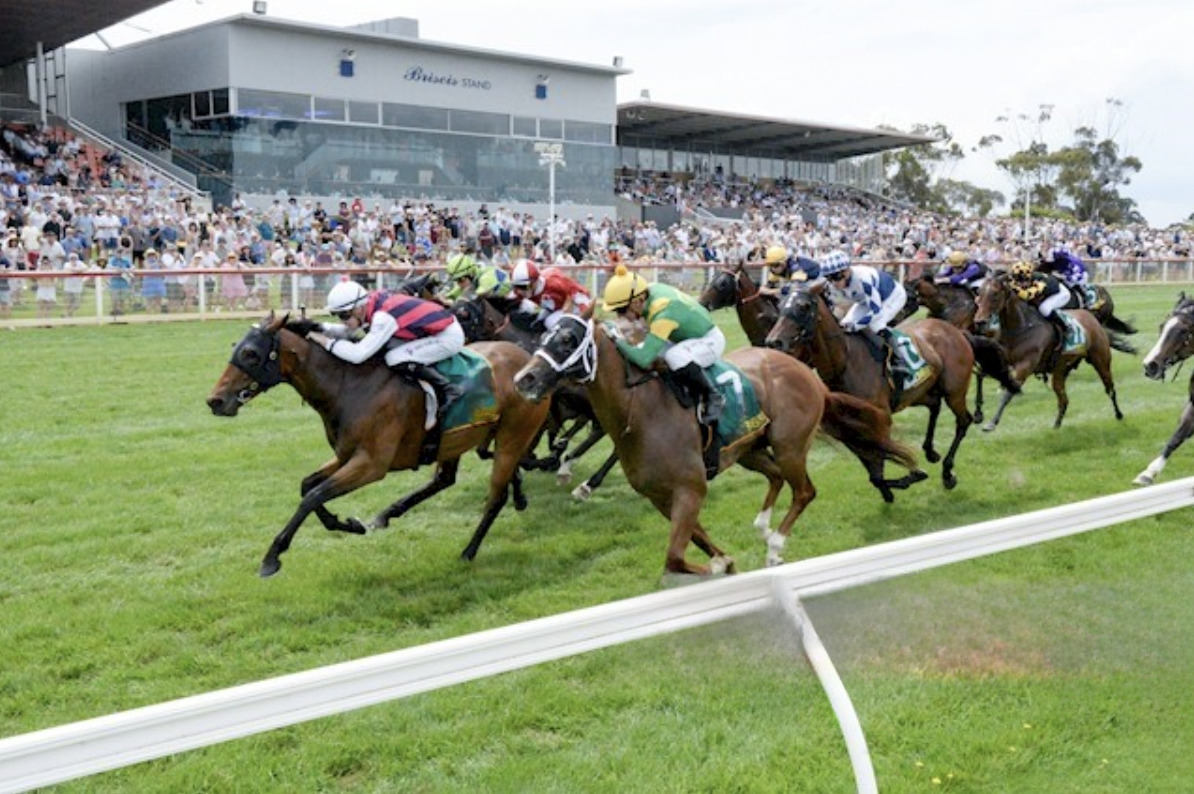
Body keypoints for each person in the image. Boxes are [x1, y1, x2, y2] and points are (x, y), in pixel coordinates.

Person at [306, 280, 464, 428]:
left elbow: (359, 354)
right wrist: (316, 326)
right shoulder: (371, 304)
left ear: (358, 308)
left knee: (394, 358)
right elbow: (348, 330)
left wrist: (327, 343)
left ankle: (448, 388)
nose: (342, 321)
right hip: (431, 331)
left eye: (344, 315)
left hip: (447, 336)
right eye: (338, 316)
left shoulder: (383, 317)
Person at [601, 264, 726, 425]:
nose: (621, 317)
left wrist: (616, 340)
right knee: (654, 352)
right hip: (684, 338)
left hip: (709, 341)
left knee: (673, 356)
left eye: (622, 310)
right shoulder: (647, 291)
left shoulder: (663, 311)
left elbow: (644, 358)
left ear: (638, 301)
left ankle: (713, 396)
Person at [819, 250, 909, 395]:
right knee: (845, 323)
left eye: (836, 277)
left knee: (875, 325)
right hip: (865, 300)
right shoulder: (833, 283)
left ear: (847, 270)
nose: (834, 283)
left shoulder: (863, 279)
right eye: (829, 278)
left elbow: (875, 310)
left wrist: (857, 325)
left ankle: (901, 358)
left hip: (891, 296)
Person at [1008, 259, 1071, 362]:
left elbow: (1026, 295)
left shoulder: (1040, 282)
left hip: (1060, 294)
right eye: (1019, 281)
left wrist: (1014, 288)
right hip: (1045, 295)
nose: (1021, 284)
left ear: (1030, 277)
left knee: (1044, 309)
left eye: (1024, 281)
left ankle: (1065, 327)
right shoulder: (1017, 279)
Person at [509, 259, 592, 330]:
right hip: (553, 309)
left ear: (535, 282)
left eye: (522, 286)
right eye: (516, 286)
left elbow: (580, 294)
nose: (519, 291)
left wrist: (585, 315)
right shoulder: (521, 290)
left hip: (574, 306)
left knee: (550, 322)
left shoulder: (554, 282)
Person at [441, 250, 514, 303]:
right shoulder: (473, 276)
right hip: (497, 302)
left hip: (511, 304)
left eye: (460, 279)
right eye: (456, 280)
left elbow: (472, 298)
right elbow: (457, 291)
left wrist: (450, 302)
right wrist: (445, 296)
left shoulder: (486, 277)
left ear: (471, 273)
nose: (459, 284)